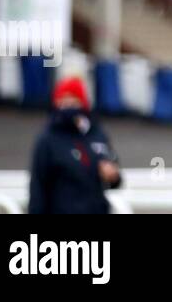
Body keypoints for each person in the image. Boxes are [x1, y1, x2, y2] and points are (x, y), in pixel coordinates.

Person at [28, 76, 124, 214]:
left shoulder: (96, 134)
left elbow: (114, 176)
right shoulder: (48, 139)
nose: (68, 108)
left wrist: (113, 176)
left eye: (73, 102)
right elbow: (37, 186)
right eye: (63, 103)